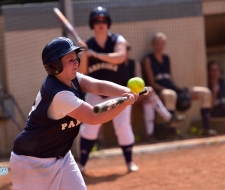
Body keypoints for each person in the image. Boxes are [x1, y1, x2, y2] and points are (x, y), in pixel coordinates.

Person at [9, 37, 138, 190]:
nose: (76, 62)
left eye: (76, 57)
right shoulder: (59, 94)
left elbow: (98, 87)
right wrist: (124, 103)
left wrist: (126, 91)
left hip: (62, 156)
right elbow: (93, 117)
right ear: (54, 66)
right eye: (70, 59)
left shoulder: (72, 78)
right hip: (32, 162)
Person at [78, 6, 139, 173]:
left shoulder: (118, 40)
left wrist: (95, 54)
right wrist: (84, 54)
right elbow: (82, 72)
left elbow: (120, 57)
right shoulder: (87, 45)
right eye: (97, 20)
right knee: (90, 127)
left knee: (123, 126)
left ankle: (129, 162)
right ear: (92, 23)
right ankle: (82, 164)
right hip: (96, 93)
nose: (100, 23)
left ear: (108, 22)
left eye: (103, 20)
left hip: (119, 91)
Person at [142, 32, 217, 137]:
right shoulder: (148, 59)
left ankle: (207, 128)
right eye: (157, 43)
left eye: (162, 43)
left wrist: (181, 90)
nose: (160, 46)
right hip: (160, 91)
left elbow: (171, 80)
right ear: (152, 45)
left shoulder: (166, 58)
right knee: (170, 94)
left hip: (172, 89)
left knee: (205, 93)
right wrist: (170, 90)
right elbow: (151, 83)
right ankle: (172, 132)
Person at [125, 43, 185, 142]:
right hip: (122, 96)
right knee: (150, 90)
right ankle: (169, 118)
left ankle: (150, 135)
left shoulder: (134, 64)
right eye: (123, 48)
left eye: (128, 48)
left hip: (135, 95)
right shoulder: (115, 66)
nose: (125, 51)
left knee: (148, 101)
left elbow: (139, 81)